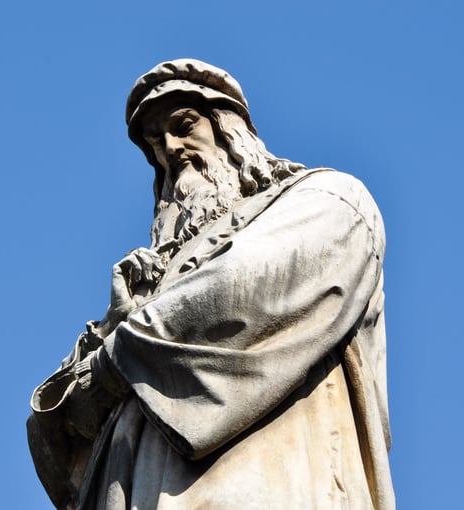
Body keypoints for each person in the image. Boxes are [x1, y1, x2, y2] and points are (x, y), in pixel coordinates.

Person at [28, 59, 395, 510]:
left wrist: (115, 360)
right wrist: (112, 325)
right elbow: (63, 435)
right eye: (155, 142)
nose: (170, 149)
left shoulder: (327, 199)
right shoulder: (149, 282)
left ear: (228, 129)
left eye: (184, 126)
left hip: (274, 481)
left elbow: (237, 294)